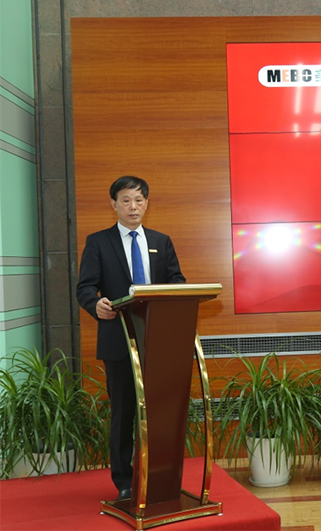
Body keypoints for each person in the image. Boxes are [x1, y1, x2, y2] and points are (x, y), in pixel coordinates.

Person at [76, 176, 185, 501]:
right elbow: (85, 287)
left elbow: (177, 281)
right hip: (119, 340)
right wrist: (95, 304)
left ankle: (159, 474)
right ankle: (124, 480)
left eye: (138, 200)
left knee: (160, 413)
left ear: (147, 203)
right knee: (123, 415)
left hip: (159, 340)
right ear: (114, 204)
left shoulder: (161, 241)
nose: (133, 207)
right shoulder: (99, 242)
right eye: (126, 200)